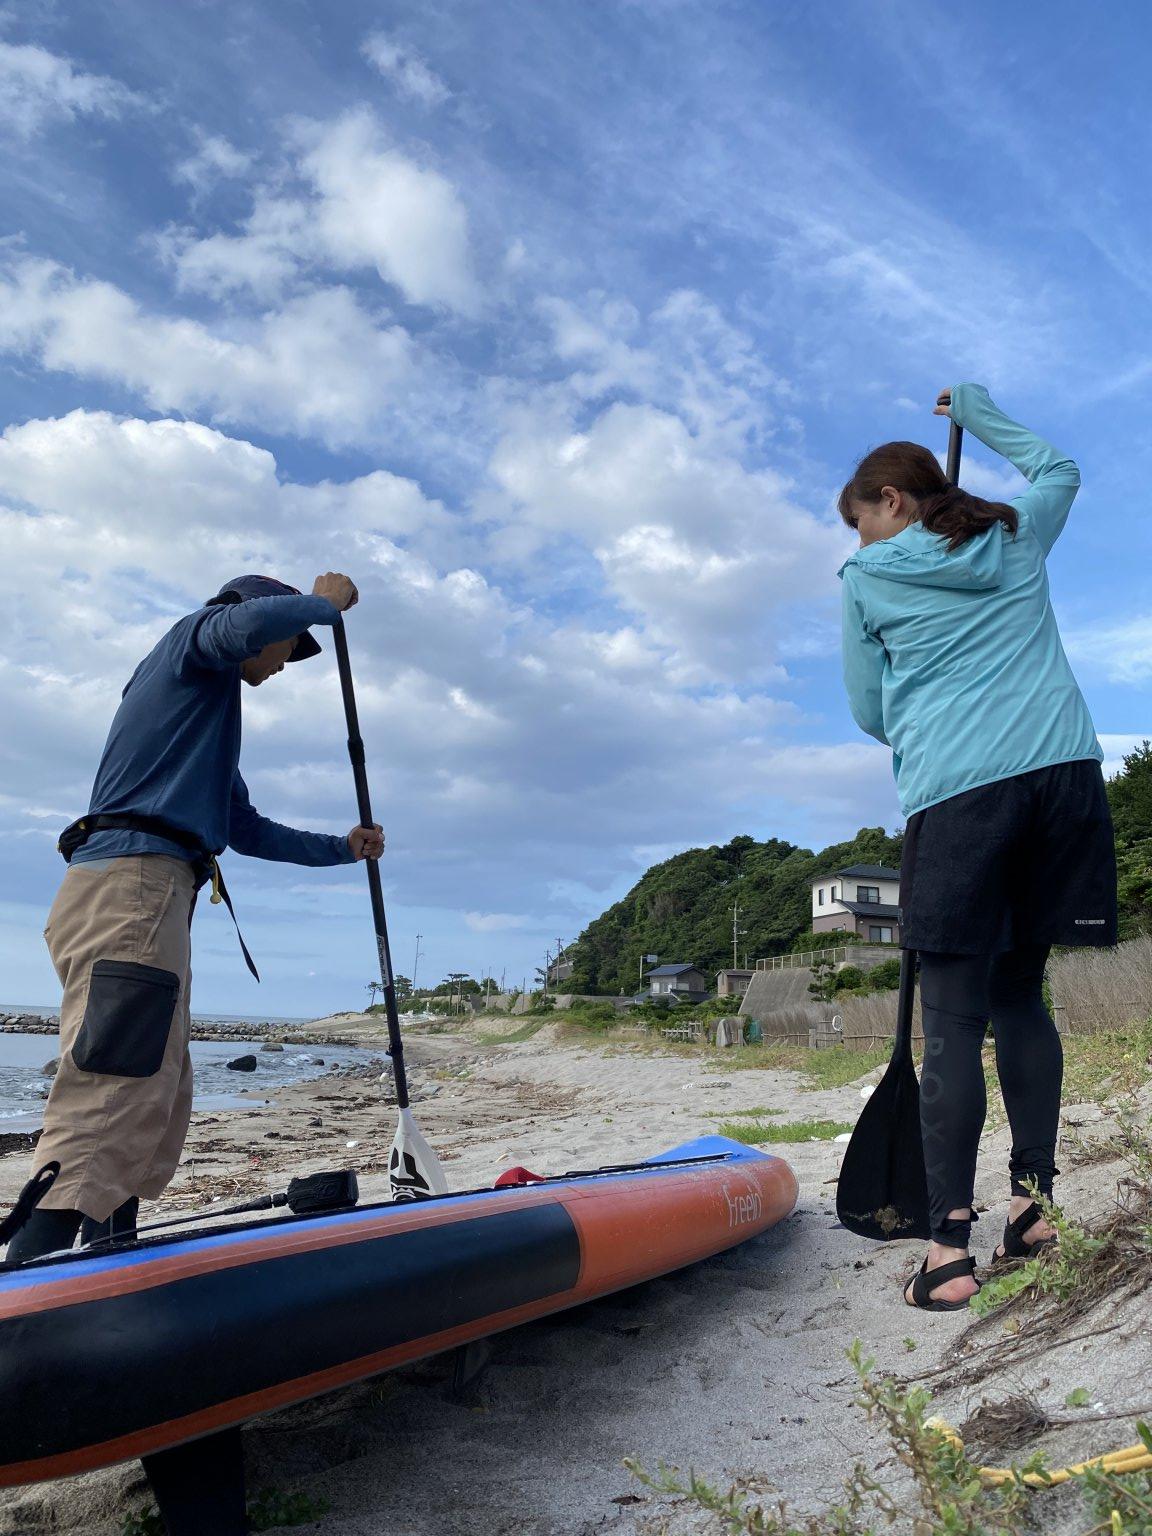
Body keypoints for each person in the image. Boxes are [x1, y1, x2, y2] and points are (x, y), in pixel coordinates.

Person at [3, 572, 384, 1265]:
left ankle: (109, 1255)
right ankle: (25, 1275)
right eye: (286, 648)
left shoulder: (204, 716)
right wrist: (323, 605)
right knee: (115, 1080)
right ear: (261, 622)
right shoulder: (193, 642)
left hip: (145, 892)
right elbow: (232, 628)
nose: (279, 665)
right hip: (134, 886)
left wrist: (341, 850)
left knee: (155, 1084)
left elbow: (243, 828)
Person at [838, 384, 1117, 1311]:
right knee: (1020, 995)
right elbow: (1061, 469)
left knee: (953, 1019)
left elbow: (870, 710)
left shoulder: (867, 580)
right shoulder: (1013, 534)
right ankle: (1033, 1210)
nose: (859, 541)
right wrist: (980, 412)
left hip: (960, 795)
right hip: (1064, 779)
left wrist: (931, 720)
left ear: (895, 500)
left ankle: (948, 1253)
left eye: (860, 520)